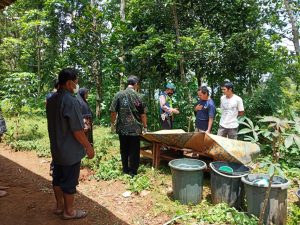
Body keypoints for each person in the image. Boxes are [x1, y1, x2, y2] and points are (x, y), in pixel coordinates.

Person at [46, 68, 95, 220]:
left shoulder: (52, 99)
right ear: (68, 83)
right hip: (70, 150)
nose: (76, 85)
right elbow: (77, 130)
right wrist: (88, 146)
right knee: (69, 181)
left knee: (57, 177)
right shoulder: (70, 100)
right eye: (75, 82)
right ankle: (69, 212)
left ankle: (60, 206)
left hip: (57, 148)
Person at [110, 75, 147, 177]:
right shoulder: (139, 96)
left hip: (122, 128)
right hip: (135, 129)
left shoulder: (118, 95)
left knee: (124, 149)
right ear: (136, 84)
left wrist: (112, 123)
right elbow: (142, 114)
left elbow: (113, 111)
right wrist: (145, 126)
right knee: (134, 150)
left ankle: (125, 170)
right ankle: (133, 172)